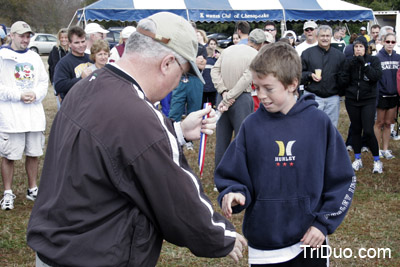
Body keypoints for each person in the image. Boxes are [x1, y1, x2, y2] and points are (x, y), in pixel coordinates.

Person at [27, 12, 246, 266]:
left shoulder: (88, 86)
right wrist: (222, 236)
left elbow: (113, 147)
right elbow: (176, 199)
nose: (177, 84)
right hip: (96, 255)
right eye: (183, 74)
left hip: (60, 245)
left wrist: (177, 131)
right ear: (166, 64)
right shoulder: (136, 115)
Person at [214, 42, 355, 266]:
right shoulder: (251, 126)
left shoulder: (318, 123)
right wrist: (234, 193)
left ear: (292, 84)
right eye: (256, 87)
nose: (260, 95)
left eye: (268, 88)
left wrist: (323, 224)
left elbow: (343, 179)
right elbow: (233, 174)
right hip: (265, 244)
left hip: (311, 242)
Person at [0, 21, 48, 210]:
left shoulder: (35, 57)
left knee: (34, 153)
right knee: (9, 155)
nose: (26, 39)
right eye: (22, 35)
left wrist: (36, 94)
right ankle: (8, 192)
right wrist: (18, 95)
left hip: (33, 115)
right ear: (12, 36)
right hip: (11, 117)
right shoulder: (3, 57)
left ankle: (32, 188)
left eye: (28, 36)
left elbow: (44, 82)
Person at [211, 29, 262, 168]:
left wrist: (223, 92)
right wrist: (229, 96)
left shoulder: (228, 50)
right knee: (243, 139)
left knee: (222, 140)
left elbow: (214, 71)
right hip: (241, 99)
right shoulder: (255, 55)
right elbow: (246, 78)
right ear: (261, 44)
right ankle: (240, 172)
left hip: (222, 97)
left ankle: (219, 176)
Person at [341, 37, 383, 173]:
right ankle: (357, 158)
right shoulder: (348, 61)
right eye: (356, 47)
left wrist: (364, 65)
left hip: (368, 100)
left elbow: (376, 76)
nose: (358, 49)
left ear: (365, 48)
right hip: (352, 100)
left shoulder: (373, 60)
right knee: (356, 130)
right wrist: (348, 67)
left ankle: (377, 160)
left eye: (361, 47)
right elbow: (343, 81)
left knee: (369, 130)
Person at [168, 23, 207, 150]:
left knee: (194, 111)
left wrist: (190, 61)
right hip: (180, 78)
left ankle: (189, 140)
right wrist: (193, 61)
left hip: (195, 80)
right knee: (175, 109)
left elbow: (201, 65)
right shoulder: (178, 45)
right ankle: (171, 137)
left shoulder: (200, 47)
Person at [301, 25, 346, 127]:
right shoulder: (307, 53)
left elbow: (344, 76)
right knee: (311, 126)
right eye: (322, 36)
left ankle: (329, 143)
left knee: (331, 128)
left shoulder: (339, 55)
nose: (325, 38)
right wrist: (310, 75)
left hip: (333, 98)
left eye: (327, 36)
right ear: (317, 37)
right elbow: (299, 74)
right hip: (313, 96)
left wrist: (340, 92)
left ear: (331, 37)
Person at [374, 33, 400, 159]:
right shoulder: (377, 57)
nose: (390, 44)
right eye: (388, 41)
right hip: (381, 94)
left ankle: (385, 149)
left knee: (389, 123)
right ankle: (377, 149)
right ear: (383, 41)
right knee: (379, 122)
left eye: (392, 42)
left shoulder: (398, 57)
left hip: (394, 95)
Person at [54, 26, 92, 101]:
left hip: (90, 103)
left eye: (83, 41)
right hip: (73, 105)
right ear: (69, 44)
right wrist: (80, 79)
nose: (81, 45)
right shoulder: (63, 63)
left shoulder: (91, 59)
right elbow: (59, 86)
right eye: (77, 43)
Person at [48, 28, 69, 109]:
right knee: (61, 103)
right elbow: (54, 66)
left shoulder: (72, 50)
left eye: (66, 37)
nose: (63, 39)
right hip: (59, 79)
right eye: (62, 37)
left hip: (69, 79)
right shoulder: (56, 50)